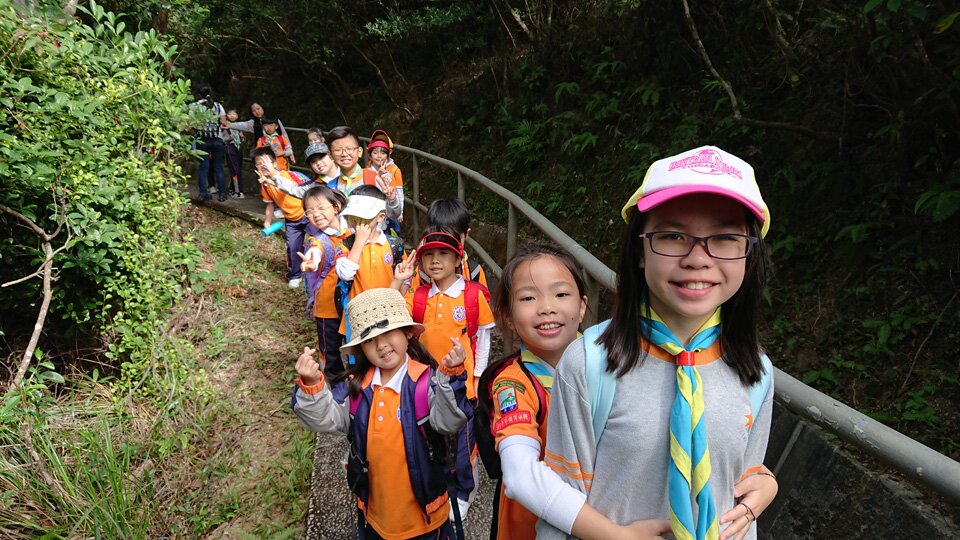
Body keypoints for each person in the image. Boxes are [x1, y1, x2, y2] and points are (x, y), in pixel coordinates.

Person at [537, 146, 780, 540]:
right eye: (672, 235)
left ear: (749, 255)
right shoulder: (589, 363)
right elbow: (559, 505)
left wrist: (760, 493)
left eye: (724, 238)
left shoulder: (757, 371)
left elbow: (740, 491)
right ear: (638, 250)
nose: (698, 258)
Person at [291, 287, 472, 540]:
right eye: (369, 339)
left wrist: (451, 377)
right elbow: (325, 419)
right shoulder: (357, 388)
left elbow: (449, 420)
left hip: (426, 520)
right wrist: (311, 384)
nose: (381, 345)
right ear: (361, 348)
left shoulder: (426, 383)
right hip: (374, 517)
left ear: (408, 333)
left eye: (388, 332)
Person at [391, 227, 496, 520]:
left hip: (461, 383)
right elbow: (392, 312)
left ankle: (464, 490)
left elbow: (483, 338)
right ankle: (437, 481)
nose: (435, 261)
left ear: (458, 258)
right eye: (429, 255)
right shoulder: (419, 296)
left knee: (462, 441)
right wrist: (399, 281)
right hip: (425, 381)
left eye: (443, 254)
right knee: (430, 434)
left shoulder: (472, 295)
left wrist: (478, 376)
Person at [299, 185, 351, 378]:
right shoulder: (317, 240)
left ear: (336, 207)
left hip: (353, 303)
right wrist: (312, 263)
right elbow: (315, 251)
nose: (316, 214)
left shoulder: (353, 232)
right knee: (330, 353)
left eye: (321, 208)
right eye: (310, 211)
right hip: (327, 307)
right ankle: (335, 389)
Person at [254, 147, 315, 288]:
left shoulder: (289, 175)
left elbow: (309, 191)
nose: (262, 166)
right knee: (293, 247)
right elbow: (269, 205)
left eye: (266, 162)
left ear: (274, 164)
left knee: (319, 241)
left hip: (307, 215)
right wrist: (267, 222)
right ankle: (295, 275)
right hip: (291, 220)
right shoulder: (264, 185)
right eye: (258, 163)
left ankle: (318, 269)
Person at [411, 198, 489, 290]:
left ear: (467, 234)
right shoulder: (422, 273)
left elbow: (483, 300)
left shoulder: (474, 271)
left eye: (454, 237)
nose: (448, 243)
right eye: (442, 237)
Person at [223, 101, 294, 163]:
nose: (256, 112)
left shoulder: (274, 120)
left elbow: (284, 135)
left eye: (258, 108)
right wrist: (228, 124)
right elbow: (241, 125)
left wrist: (290, 154)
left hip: (279, 155)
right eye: (253, 111)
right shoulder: (253, 123)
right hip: (262, 156)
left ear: (262, 107)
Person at [192, 84, 226, 202]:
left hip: (202, 139)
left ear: (198, 94)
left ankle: (203, 193)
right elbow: (223, 123)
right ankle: (222, 194)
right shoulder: (217, 106)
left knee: (203, 167)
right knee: (218, 168)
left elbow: (191, 123)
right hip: (217, 139)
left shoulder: (195, 106)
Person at [366, 129, 404, 235]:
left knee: (393, 232)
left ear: (388, 154)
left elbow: (399, 191)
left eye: (383, 152)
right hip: (372, 213)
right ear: (370, 155)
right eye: (375, 152)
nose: (379, 156)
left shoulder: (394, 169)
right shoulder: (367, 170)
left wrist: (400, 211)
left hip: (389, 209)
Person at [223, 107, 245, 198]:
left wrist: (242, 137)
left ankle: (232, 189)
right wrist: (229, 138)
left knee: (238, 168)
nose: (232, 116)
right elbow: (222, 139)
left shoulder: (239, 126)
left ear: (237, 115)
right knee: (235, 169)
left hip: (238, 147)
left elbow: (243, 139)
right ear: (226, 115)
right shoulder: (225, 126)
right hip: (230, 147)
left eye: (234, 114)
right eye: (230, 114)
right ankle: (238, 191)